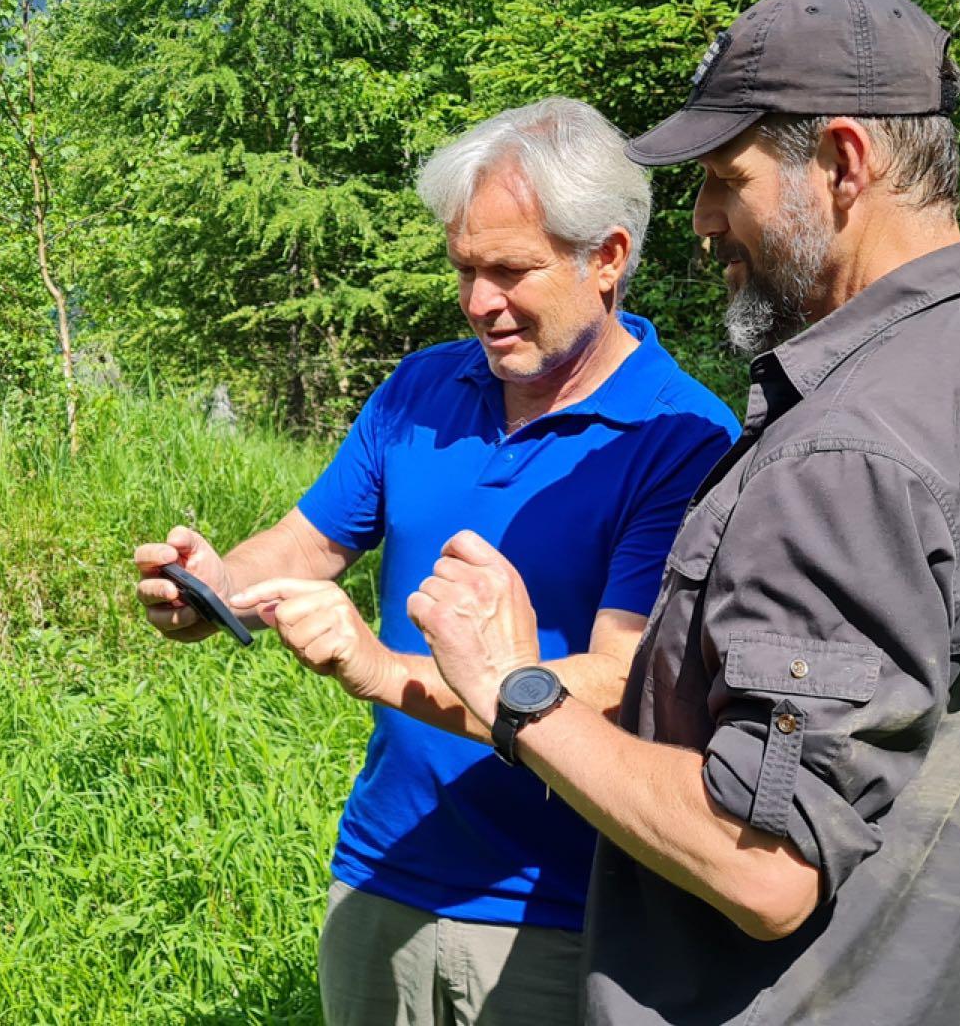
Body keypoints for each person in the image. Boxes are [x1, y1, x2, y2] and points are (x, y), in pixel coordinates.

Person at [406, 0, 960, 1025]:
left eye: (724, 181)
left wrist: (515, 690)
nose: (700, 224)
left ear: (842, 162)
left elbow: (763, 865)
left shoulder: (843, 452)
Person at [132, 97, 737, 1025]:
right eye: (463, 269)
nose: (478, 303)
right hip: (382, 870)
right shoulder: (422, 388)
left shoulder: (681, 438)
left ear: (607, 258)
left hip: (562, 911)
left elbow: (622, 682)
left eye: (510, 270)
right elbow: (308, 540)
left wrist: (377, 670)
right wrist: (213, 584)